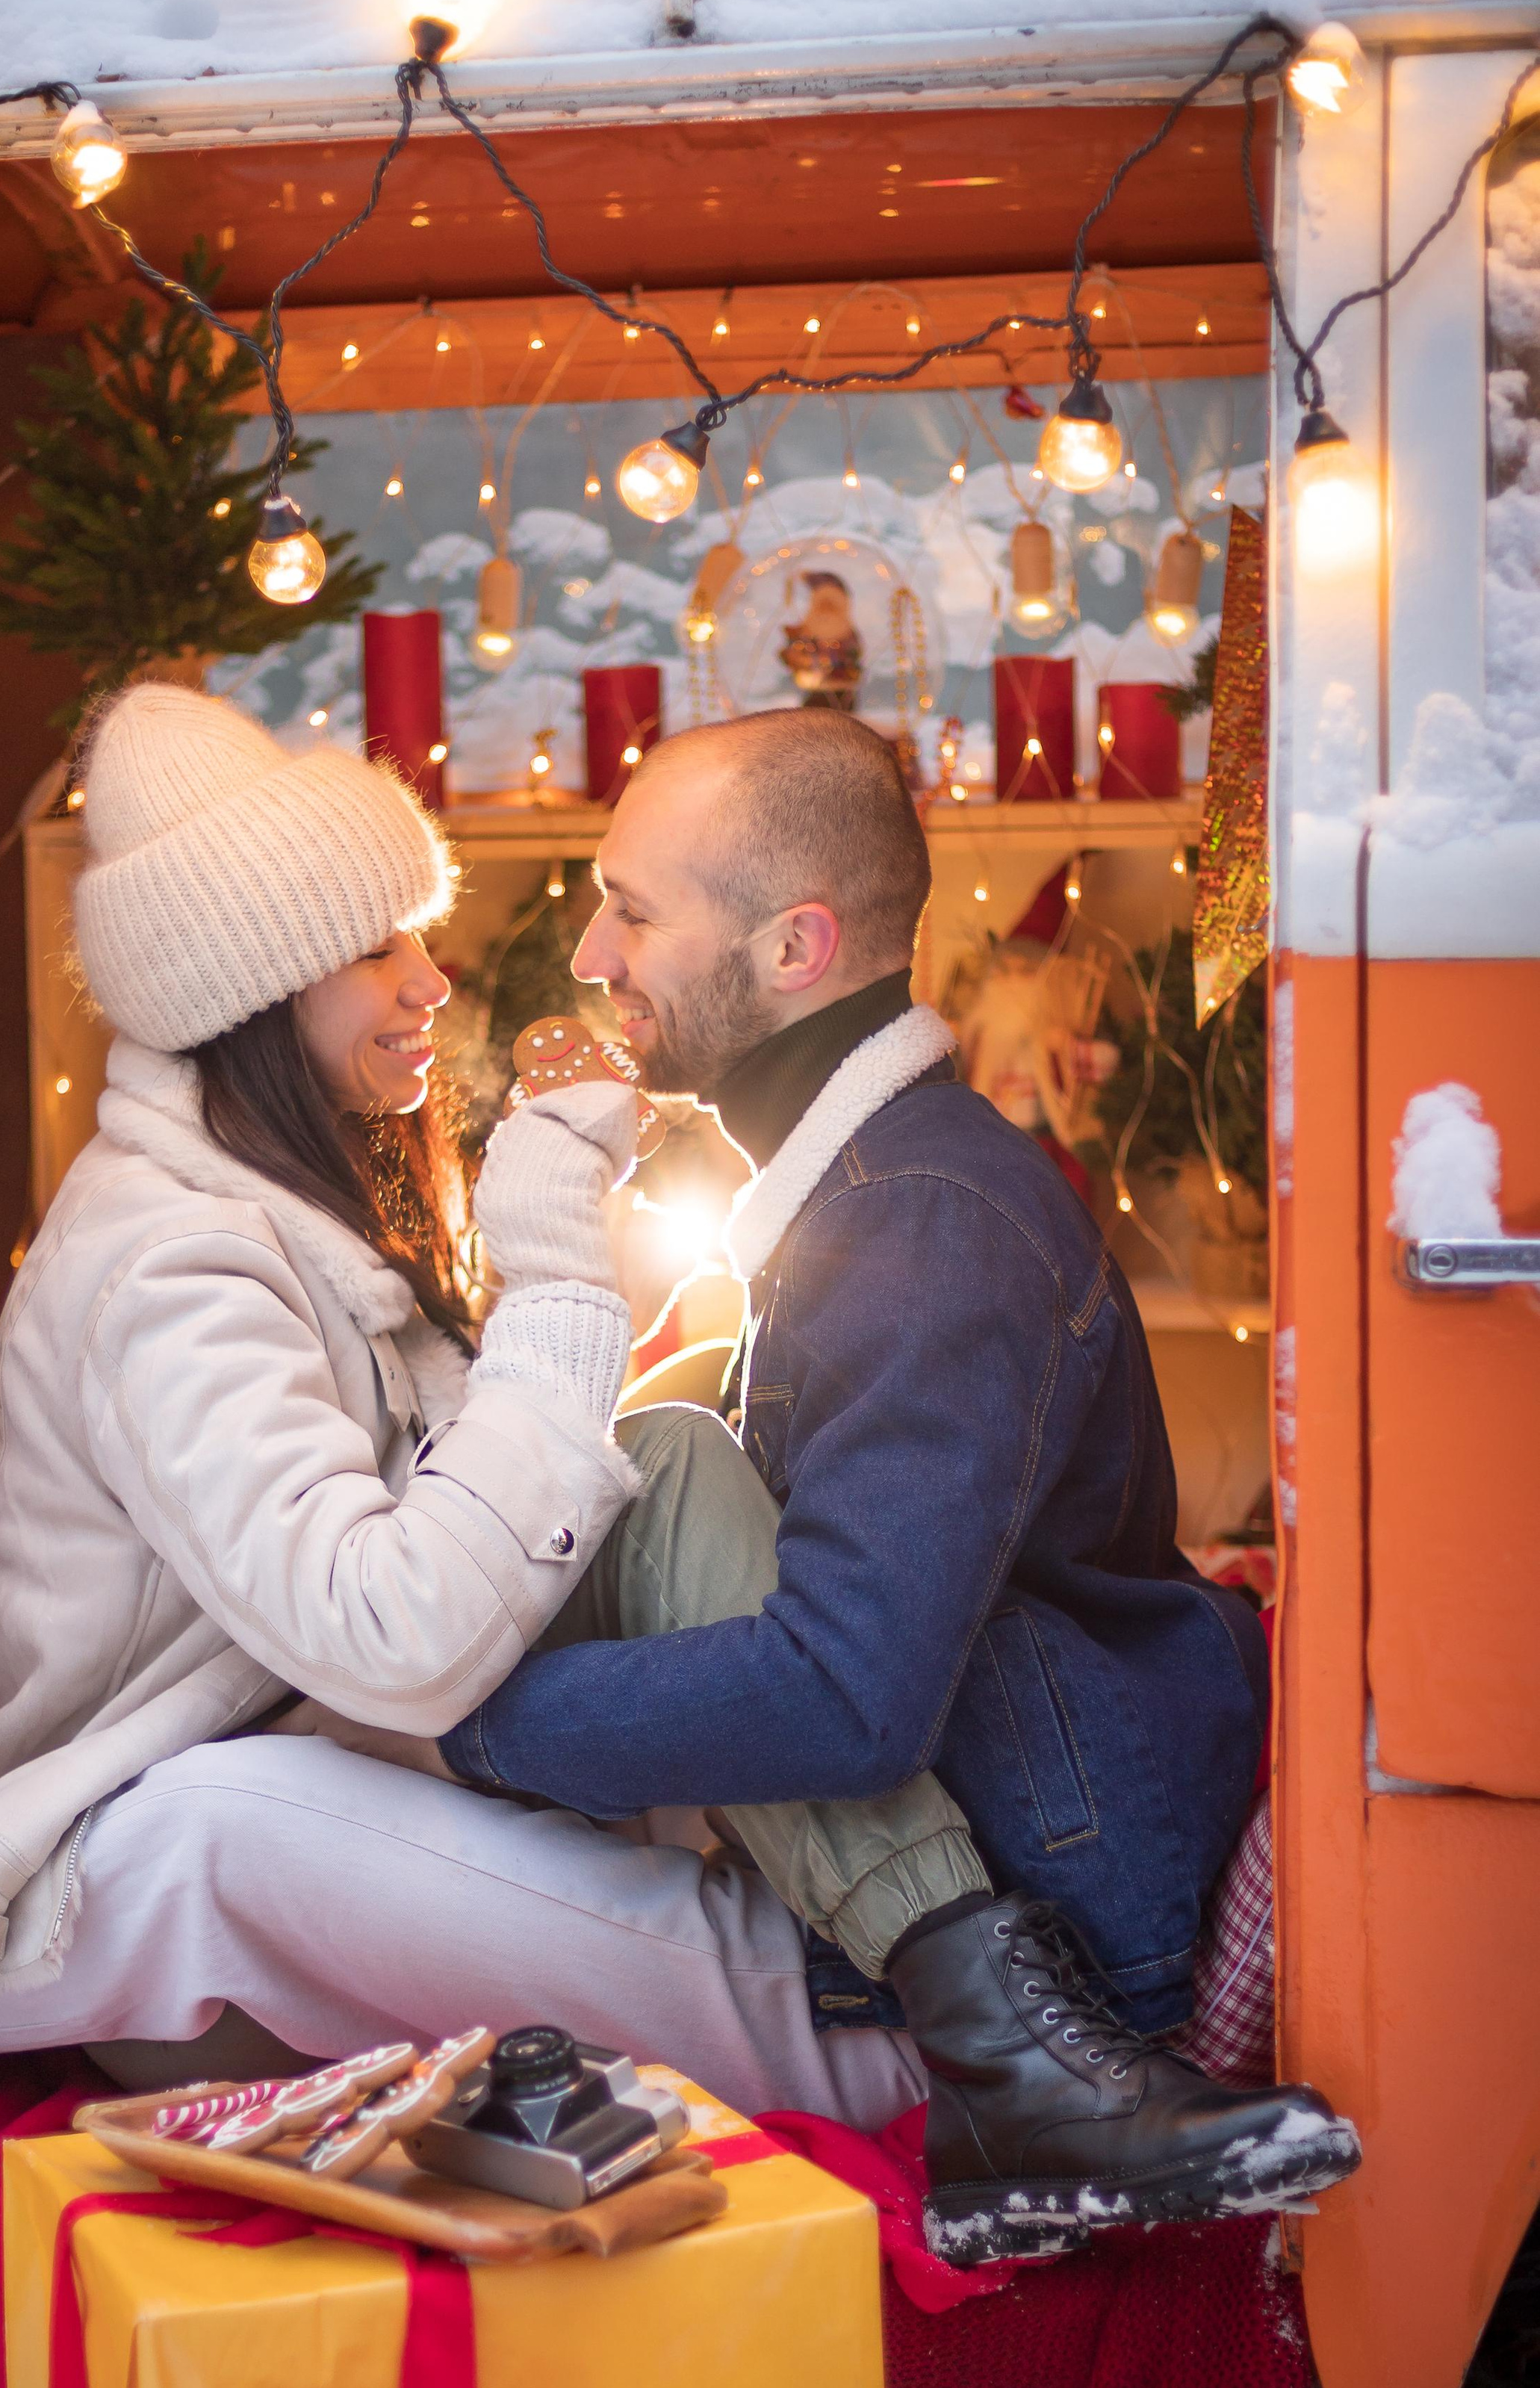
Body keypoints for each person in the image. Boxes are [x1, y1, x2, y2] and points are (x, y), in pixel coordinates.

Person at [0, 682, 958, 2140]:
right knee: (212, 1824)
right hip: (171, 1886)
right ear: (255, 993)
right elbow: (395, 1643)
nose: (429, 982)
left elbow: (455, 1541)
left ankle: (939, 1950)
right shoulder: (172, 1268)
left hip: (339, 1771)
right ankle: (892, 2063)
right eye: (376, 949)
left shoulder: (301, 1207)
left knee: (662, 1457)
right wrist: (555, 1271)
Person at [417, 707, 1359, 2263]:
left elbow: (846, 1699)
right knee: (654, 1455)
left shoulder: (915, 1225)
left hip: (1072, 1918)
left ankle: (1021, 2080)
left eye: (633, 911)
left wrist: (469, 1722)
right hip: (1016, 1830)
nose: (590, 955)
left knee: (630, 1497)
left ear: (794, 948)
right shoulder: (863, 1191)